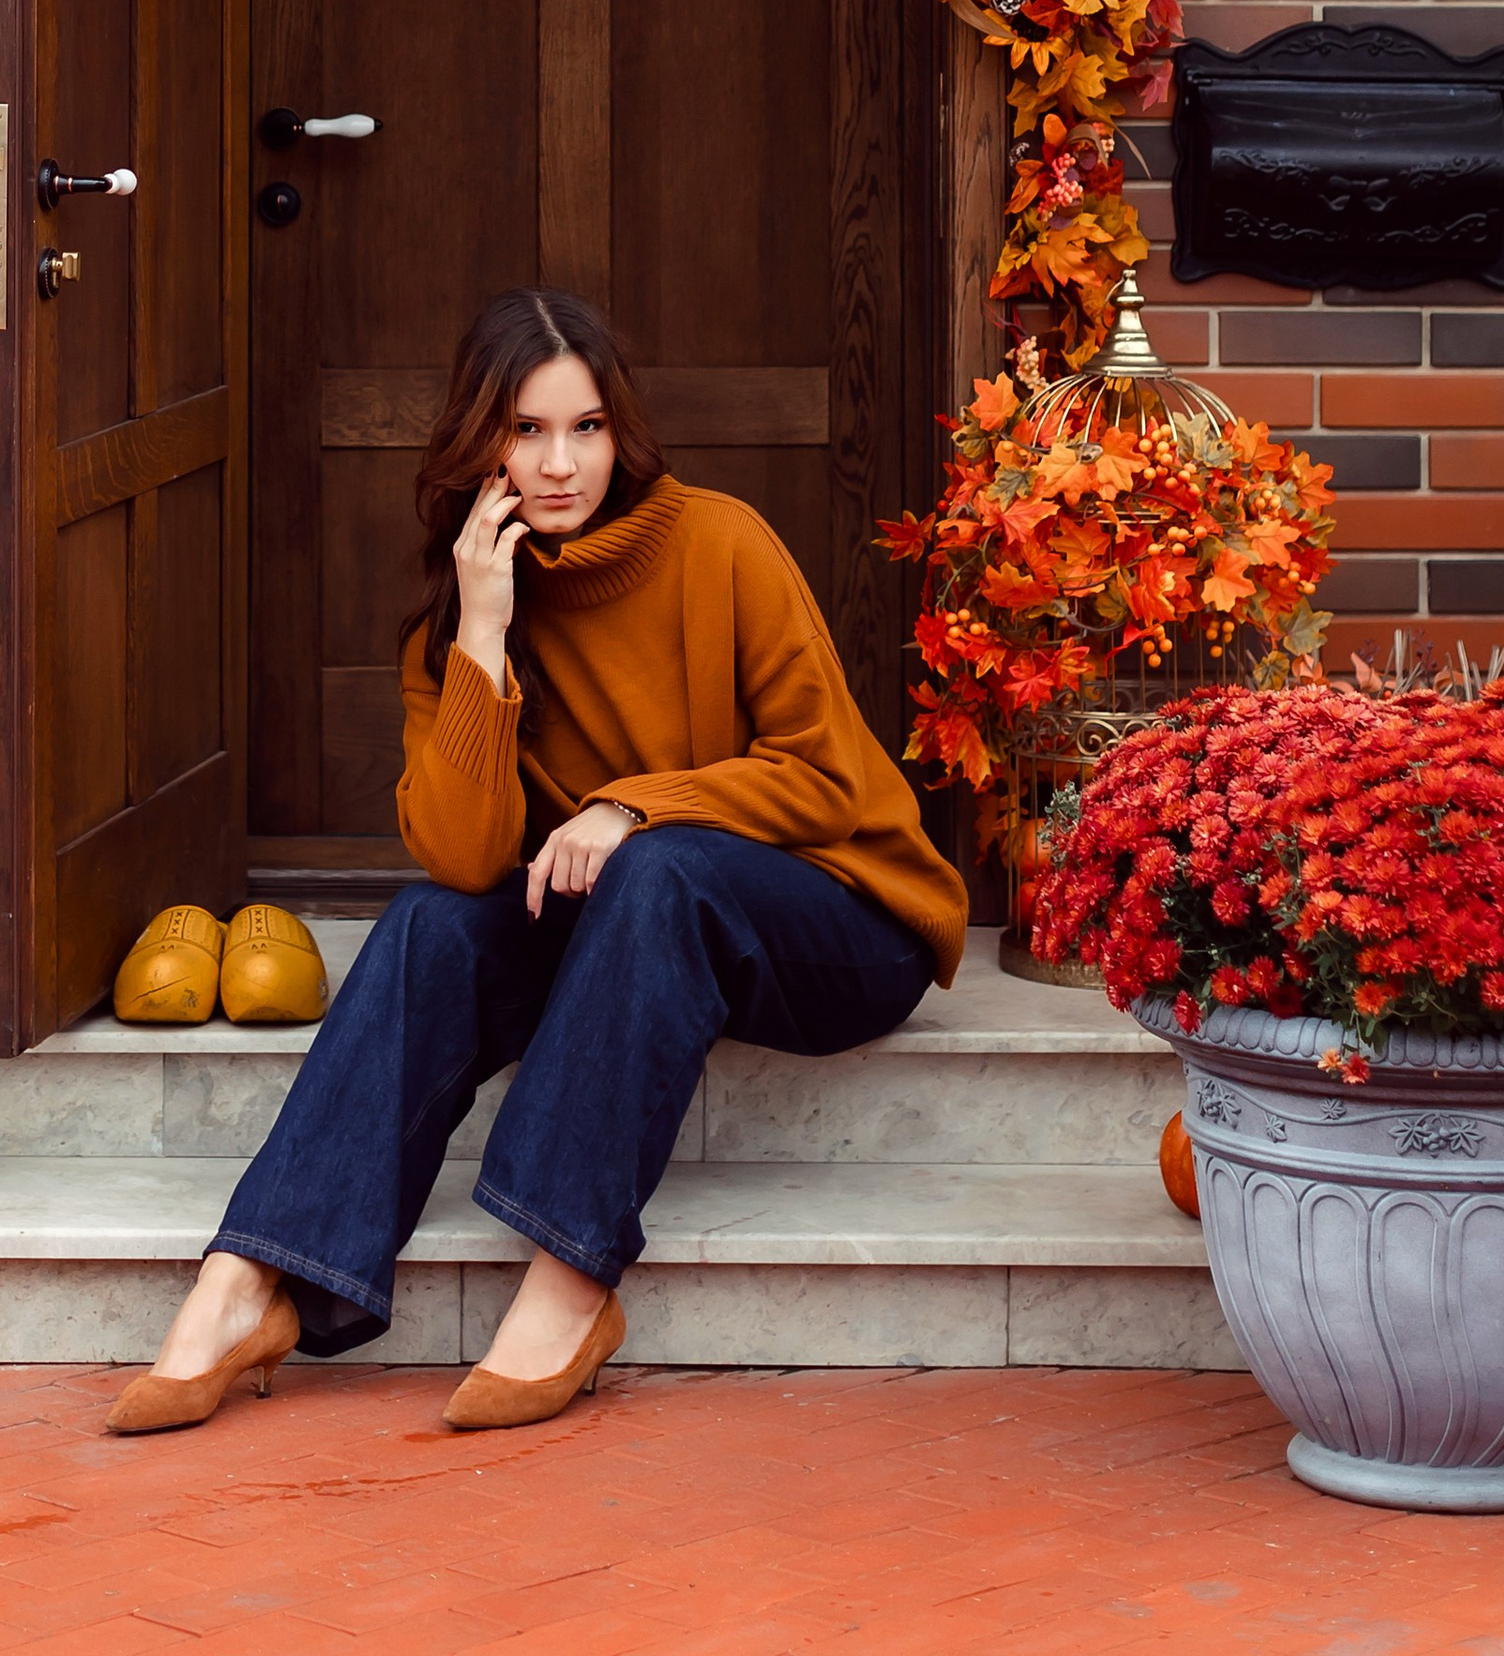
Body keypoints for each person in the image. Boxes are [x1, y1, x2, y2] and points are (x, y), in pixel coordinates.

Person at [109, 285, 967, 1436]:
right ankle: (250, 1280)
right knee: (426, 924)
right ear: (482, 445)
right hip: (638, 920)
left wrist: (628, 806)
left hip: (841, 916)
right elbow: (466, 860)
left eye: (586, 427)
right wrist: (480, 632)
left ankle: (569, 1281)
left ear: (621, 431)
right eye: (527, 430)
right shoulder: (463, 620)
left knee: (659, 866)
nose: (560, 463)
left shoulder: (719, 541)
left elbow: (824, 779)